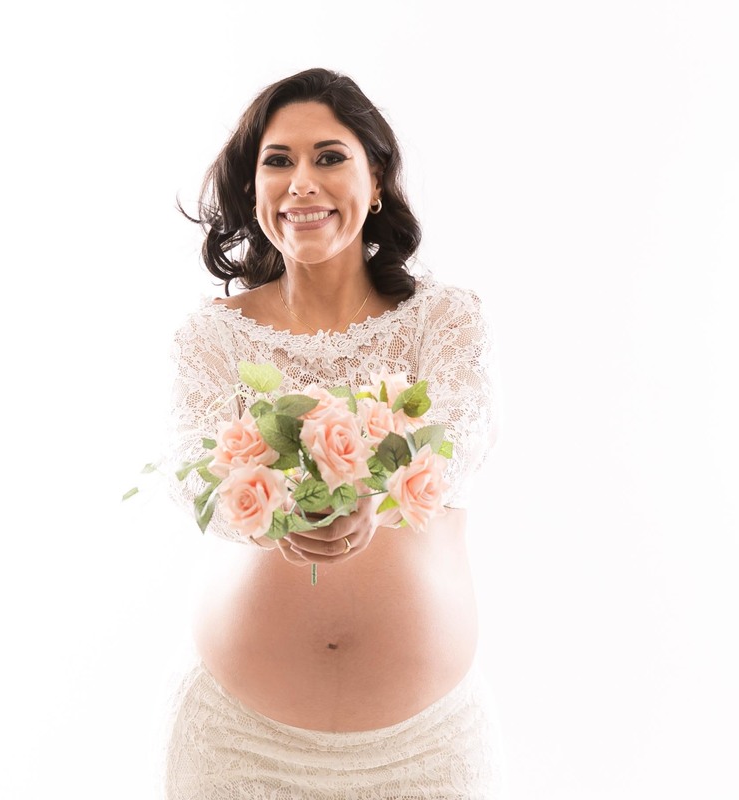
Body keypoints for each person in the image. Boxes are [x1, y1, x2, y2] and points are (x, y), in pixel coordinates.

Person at [160, 67, 505, 798]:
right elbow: (191, 473)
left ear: (375, 180)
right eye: (277, 161)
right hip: (238, 750)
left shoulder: (443, 320)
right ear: (253, 189)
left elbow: (463, 434)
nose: (302, 183)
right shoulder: (212, 337)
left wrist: (376, 494)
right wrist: (271, 516)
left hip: (427, 753)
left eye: (329, 157)